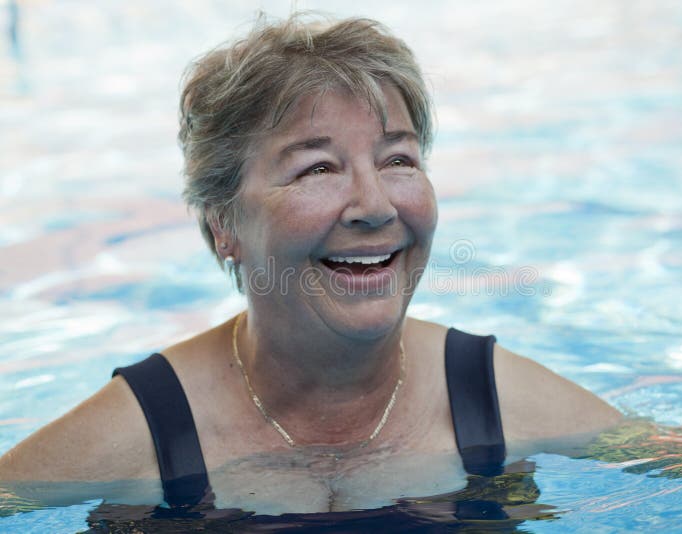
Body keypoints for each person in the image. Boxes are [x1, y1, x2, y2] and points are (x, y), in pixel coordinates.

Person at [0, 14, 621, 515]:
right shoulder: (145, 431)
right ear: (224, 225)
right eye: (316, 168)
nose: (375, 206)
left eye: (398, 160)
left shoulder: (491, 399)